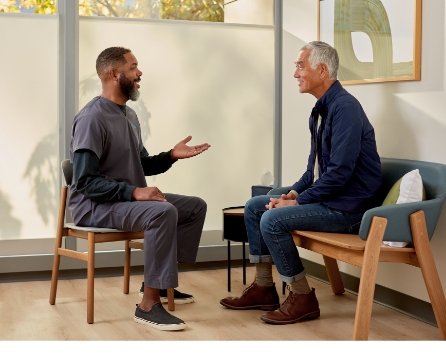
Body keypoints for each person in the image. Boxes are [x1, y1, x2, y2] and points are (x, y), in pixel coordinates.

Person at [220, 41, 382, 325]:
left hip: (350, 209)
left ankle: (303, 297)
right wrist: (294, 191)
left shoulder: (346, 109)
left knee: (271, 220)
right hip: (331, 200)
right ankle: (264, 288)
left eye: (300, 65)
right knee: (255, 206)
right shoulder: (320, 111)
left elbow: (340, 173)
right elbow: (314, 171)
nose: (295, 73)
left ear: (321, 70)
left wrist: (296, 202)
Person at [69, 46, 210, 331]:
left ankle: (157, 283)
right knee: (162, 213)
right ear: (113, 73)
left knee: (194, 207)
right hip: (95, 205)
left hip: (123, 202)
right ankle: (148, 305)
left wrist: (171, 155)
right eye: (133, 68)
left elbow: (141, 163)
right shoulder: (91, 118)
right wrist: (133, 192)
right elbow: (84, 180)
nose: (139, 73)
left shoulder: (129, 115)